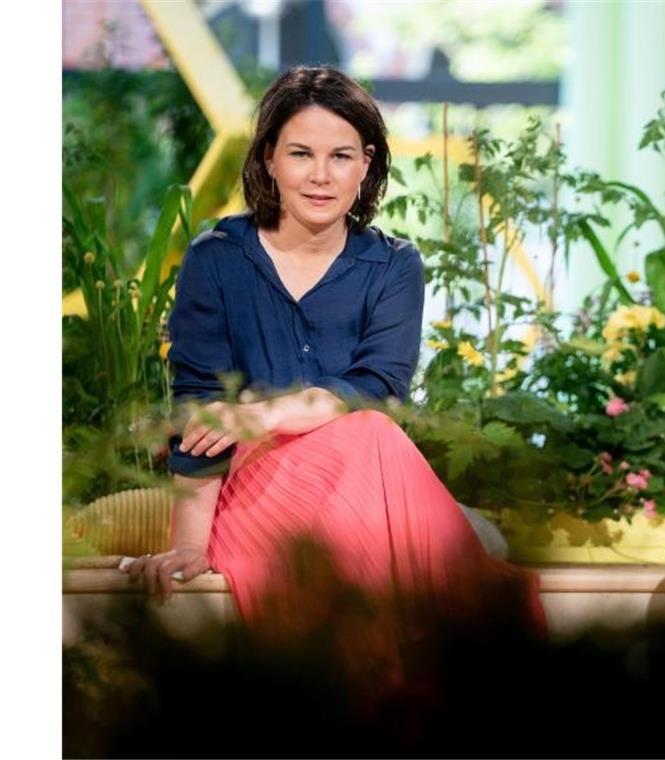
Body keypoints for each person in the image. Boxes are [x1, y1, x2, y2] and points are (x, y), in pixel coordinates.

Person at [122, 66, 545, 684]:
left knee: (372, 432)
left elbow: (379, 392)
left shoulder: (394, 266)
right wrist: (188, 546)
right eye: (301, 154)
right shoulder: (217, 260)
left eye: (341, 156)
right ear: (269, 159)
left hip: (371, 476)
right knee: (383, 452)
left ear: (366, 166)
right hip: (258, 490)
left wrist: (262, 413)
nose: (321, 175)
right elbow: (200, 411)